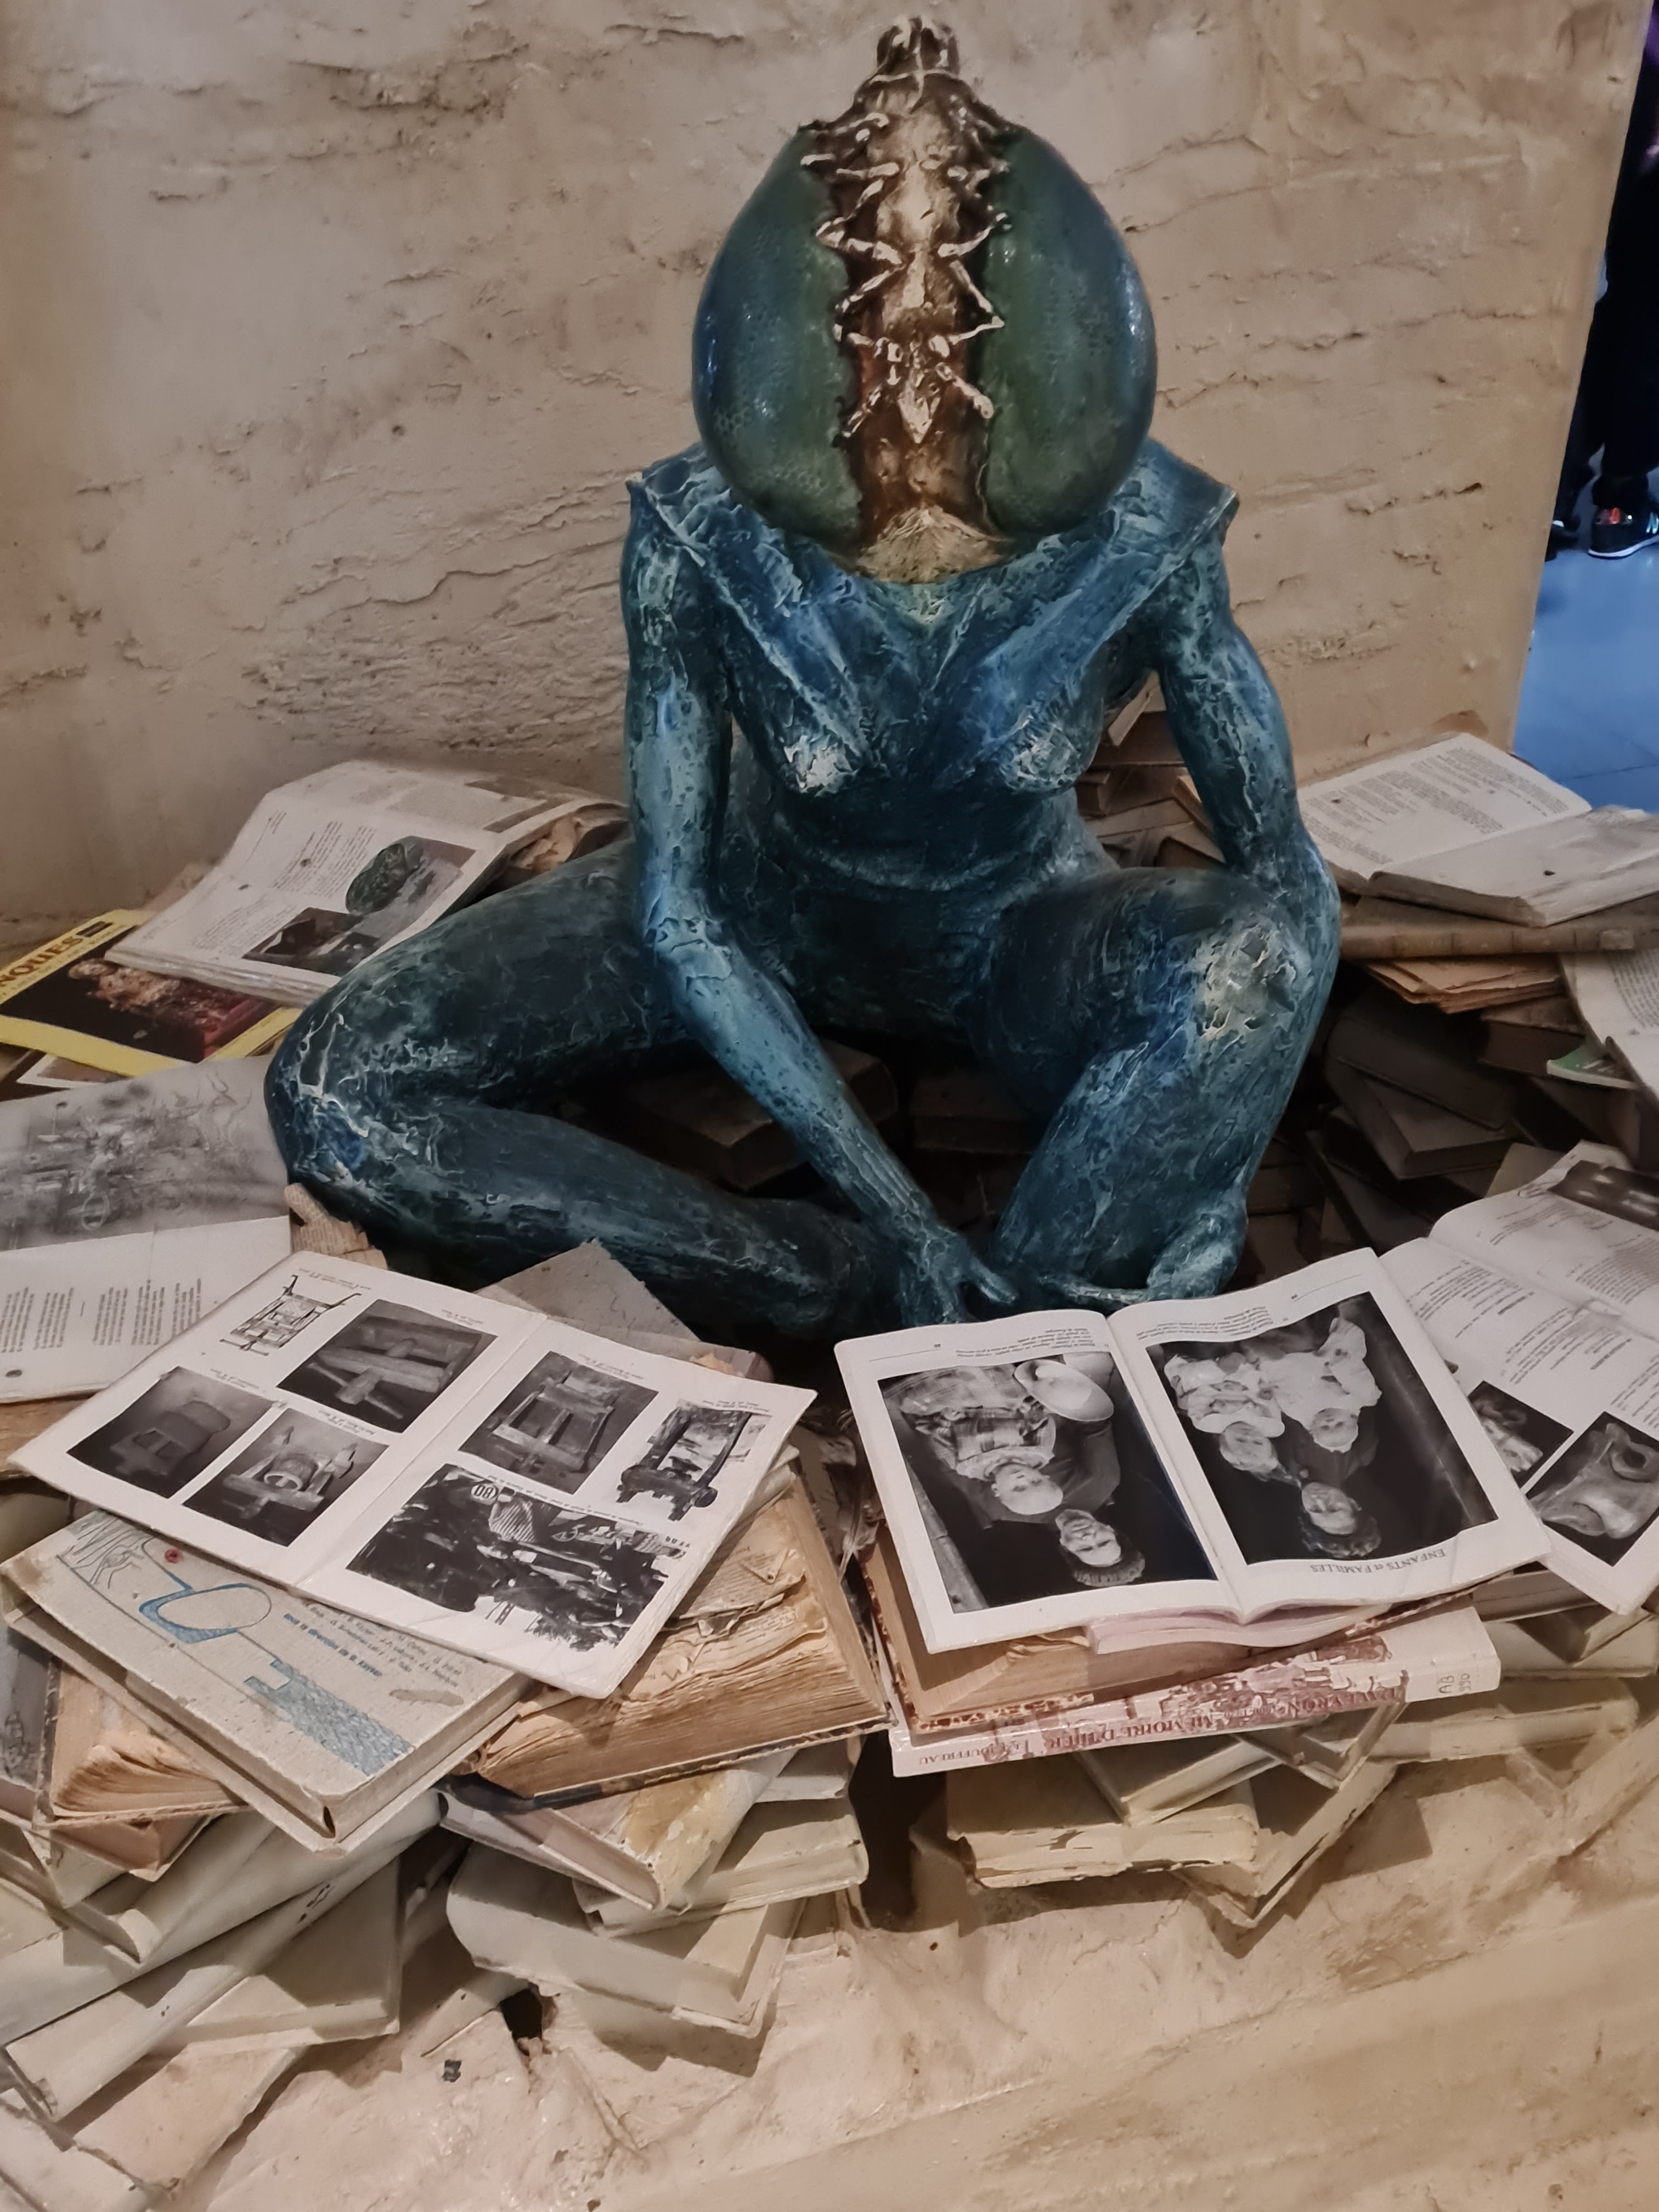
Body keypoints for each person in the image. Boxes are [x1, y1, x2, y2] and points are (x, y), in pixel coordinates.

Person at [1551, 14, 1659, 559]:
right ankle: (1620, 502)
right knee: (1646, 324)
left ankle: (1554, 488)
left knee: (1612, 313)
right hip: (1639, 90)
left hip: (1607, 80)